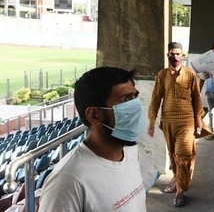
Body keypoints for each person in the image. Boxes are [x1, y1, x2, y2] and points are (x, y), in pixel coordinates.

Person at [39, 67, 146, 211]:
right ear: (94, 115)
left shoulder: (130, 151)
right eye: (125, 99)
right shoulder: (67, 181)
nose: (135, 106)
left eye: (134, 97)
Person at [148, 41, 205, 207]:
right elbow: (155, 98)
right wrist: (152, 121)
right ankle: (177, 178)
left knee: (184, 154)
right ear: (167, 56)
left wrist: (199, 119)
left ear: (183, 56)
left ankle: (181, 189)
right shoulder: (162, 75)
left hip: (186, 122)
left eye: (178, 53)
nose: (175, 56)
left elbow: (197, 98)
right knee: (173, 155)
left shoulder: (190, 74)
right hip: (168, 122)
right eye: (172, 53)